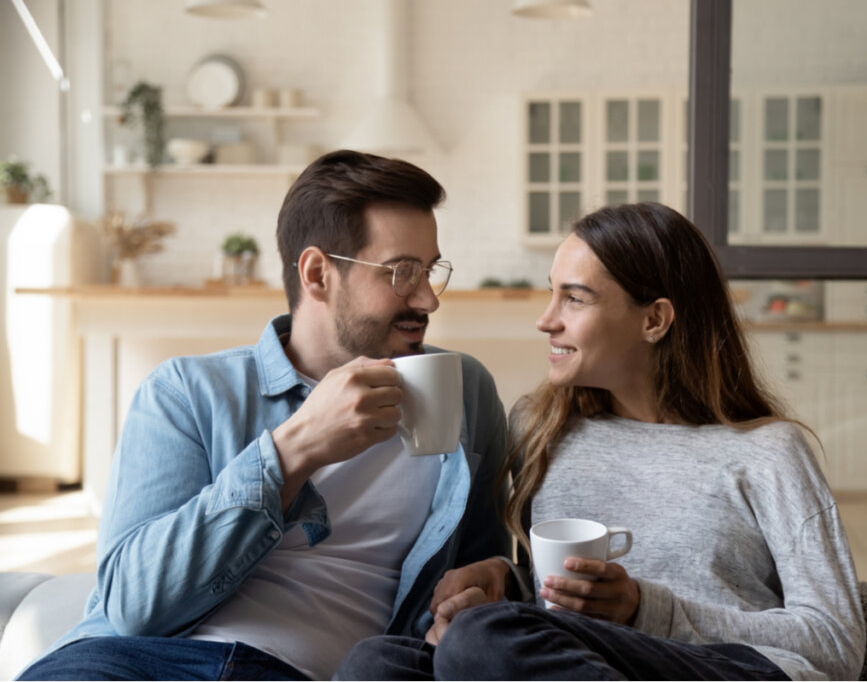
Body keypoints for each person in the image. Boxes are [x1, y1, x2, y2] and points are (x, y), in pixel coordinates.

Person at [18, 150, 510, 681]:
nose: (428, 300)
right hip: (133, 663)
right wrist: (294, 449)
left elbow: (488, 569)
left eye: (431, 270)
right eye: (401, 272)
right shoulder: (187, 392)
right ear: (318, 274)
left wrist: (490, 580)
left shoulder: (465, 392)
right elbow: (134, 605)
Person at [339, 202, 866, 681]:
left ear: (654, 319)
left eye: (575, 298)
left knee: (484, 641)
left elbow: (836, 643)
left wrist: (644, 609)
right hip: (592, 663)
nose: (546, 320)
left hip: (731, 669)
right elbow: (562, 626)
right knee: (376, 663)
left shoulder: (768, 452)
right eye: (552, 293)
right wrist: (507, 581)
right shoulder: (543, 431)